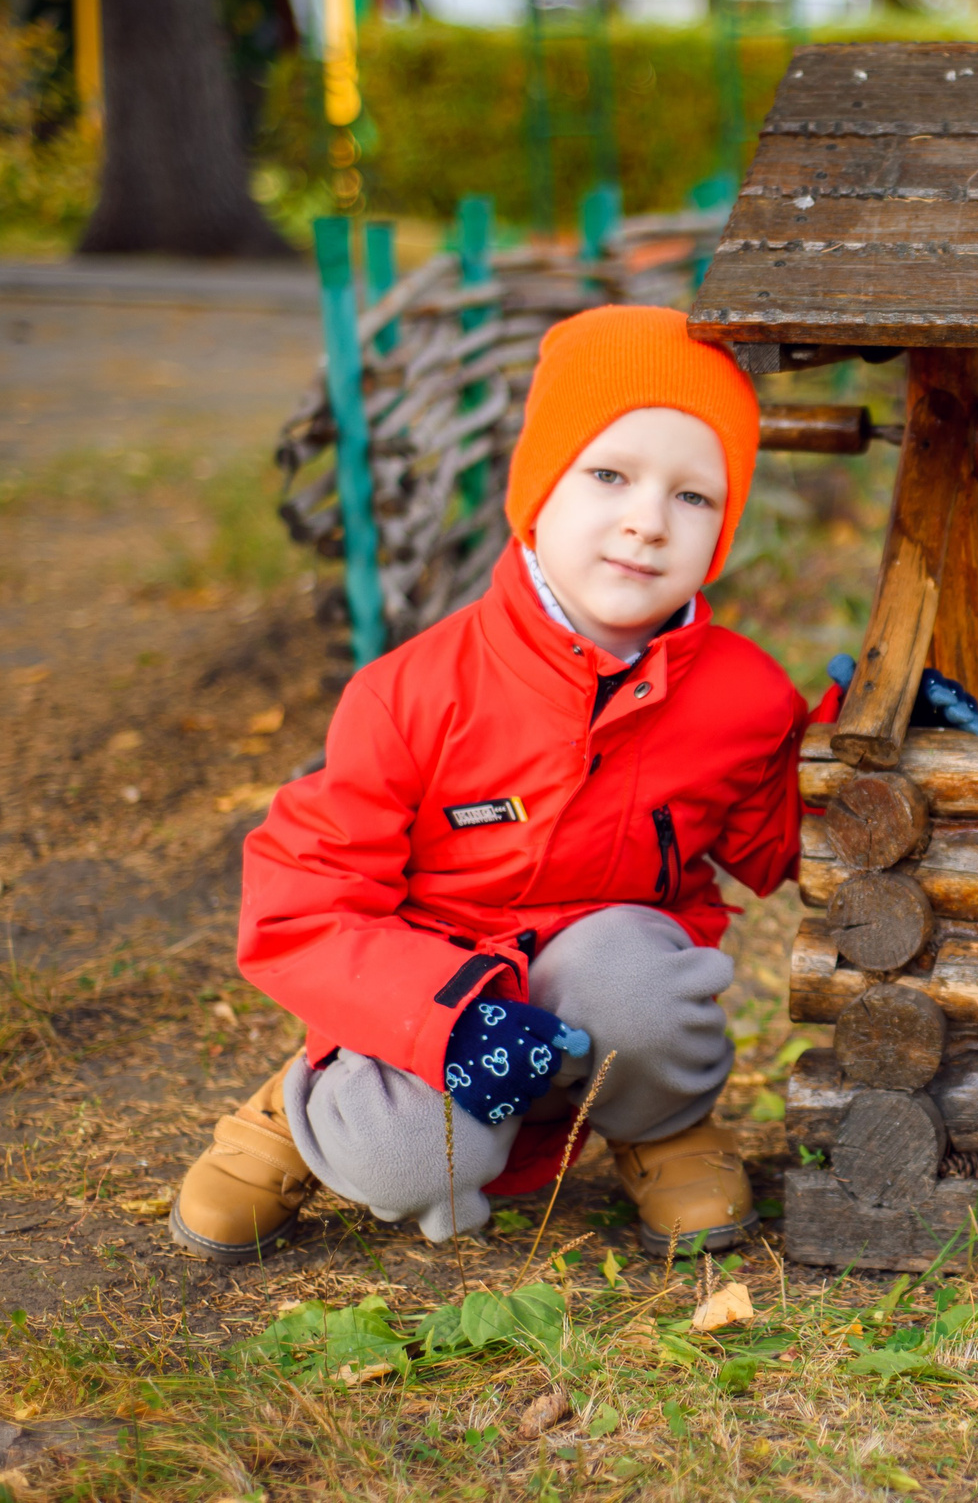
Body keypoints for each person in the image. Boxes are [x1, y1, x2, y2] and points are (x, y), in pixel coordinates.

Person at [169, 305, 807, 1263]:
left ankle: (661, 1125)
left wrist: (881, 742)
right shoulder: (410, 695)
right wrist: (447, 1017)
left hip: (608, 988)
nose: (646, 520)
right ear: (539, 487)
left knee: (634, 975)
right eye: (609, 474)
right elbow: (304, 908)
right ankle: (299, 1106)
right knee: (399, 1160)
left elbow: (791, 841)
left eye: (694, 497)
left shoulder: (743, 696)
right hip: (436, 1001)